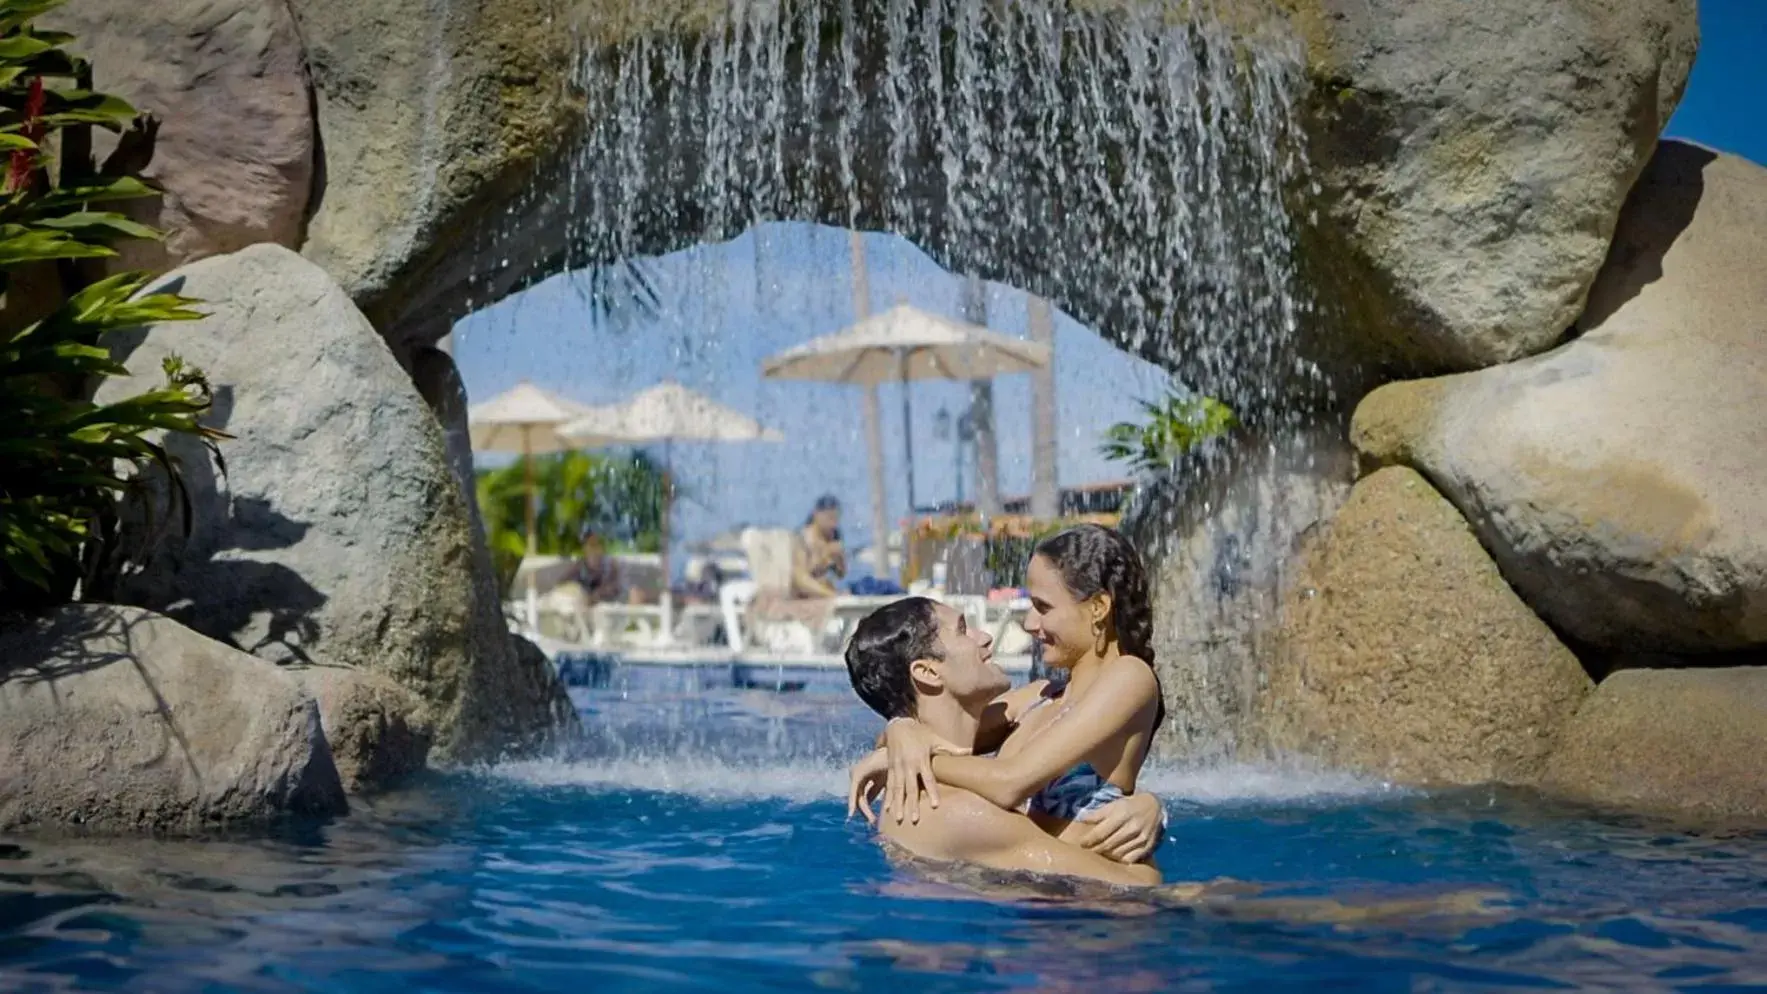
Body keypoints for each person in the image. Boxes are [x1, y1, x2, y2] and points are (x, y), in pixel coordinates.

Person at [853, 523, 1164, 853]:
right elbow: (935, 729)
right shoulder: (1038, 698)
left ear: (1098, 608)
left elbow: (1009, 782)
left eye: (1043, 607)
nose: (1029, 623)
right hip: (1028, 889)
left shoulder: (1130, 678)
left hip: (1104, 900)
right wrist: (900, 729)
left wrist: (912, 761)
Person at [844, 596, 1168, 887]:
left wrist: (900, 728)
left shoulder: (931, 787)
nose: (985, 638)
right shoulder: (963, 812)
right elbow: (1135, 885)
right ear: (927, 672)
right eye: (962, 630)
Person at [791, 495, 846, 599]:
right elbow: (800, 579)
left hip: (824, 589)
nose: (833, 524)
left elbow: (841, 574)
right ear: (816, 515)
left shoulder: (834, 536)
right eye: (829, 518)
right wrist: (824, 556)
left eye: (836, 518)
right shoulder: (803, 539)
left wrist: (839, 558)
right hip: (804, 592)